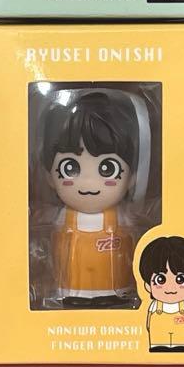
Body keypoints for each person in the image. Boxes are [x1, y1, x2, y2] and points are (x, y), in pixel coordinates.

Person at [40, 90, 142, 307]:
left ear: (131, 178)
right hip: (71, 289)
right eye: (70, 168)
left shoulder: (121, 218)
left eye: (107, 169)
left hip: (115, 288)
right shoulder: (61, 218)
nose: (88, 182)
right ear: (49, 176)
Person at [139, 235, 184, 351]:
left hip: (183, 339)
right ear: (148, 286)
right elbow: (148, 322)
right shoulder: (154, 306)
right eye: (160, 279)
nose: (170, 288)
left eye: (180, 280)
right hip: (158, 339)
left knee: (182, 348)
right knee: (158, 348)